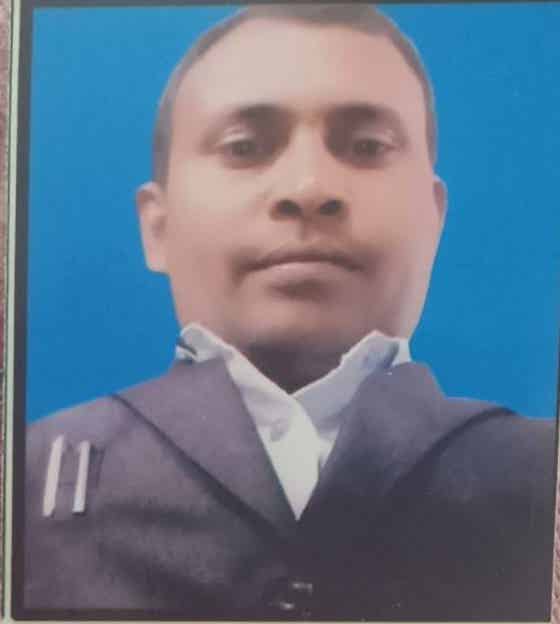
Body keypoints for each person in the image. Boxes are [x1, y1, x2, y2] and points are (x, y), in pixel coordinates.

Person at [23, 4, 555, 620]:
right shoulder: (31, 475)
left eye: (366, 146)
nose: (308, 188)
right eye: (244, 147)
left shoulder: (541, 472)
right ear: (157, 227)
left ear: (433, 220)